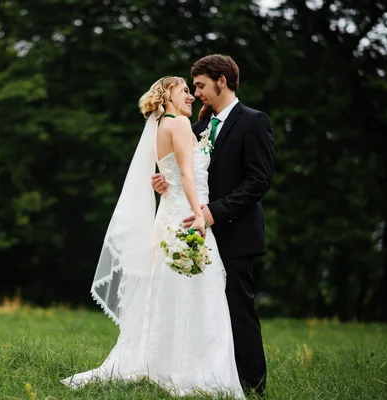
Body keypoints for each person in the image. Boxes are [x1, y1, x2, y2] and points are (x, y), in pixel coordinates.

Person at [61, 75, 245, 398]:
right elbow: (187, 174)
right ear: (169, 95)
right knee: (201, 295)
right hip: (189, 218)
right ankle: (200, 373)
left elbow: (170, 174)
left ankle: (166, 364)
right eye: (185, 91)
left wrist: (166, 186)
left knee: (169, 296)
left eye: (193, 90)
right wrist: (199, 216)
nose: (191, 95)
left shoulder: (163, 127)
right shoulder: (180, 126)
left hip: (169, 217)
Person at [152, 55, 274, 394]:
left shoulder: (254, 121)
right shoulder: (197, 126)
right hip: (195, 231)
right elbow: (182, 169)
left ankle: (252, 384)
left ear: (222, 81)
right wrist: (163, 182)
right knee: (203, 309)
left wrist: (213, 212)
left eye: (201, 85)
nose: (196, 93)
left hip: (234, 230)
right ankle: (207, 374)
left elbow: (259, 180)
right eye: (193, 87)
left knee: (238, 307)